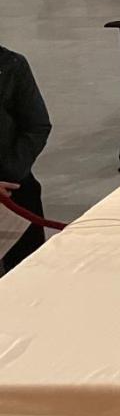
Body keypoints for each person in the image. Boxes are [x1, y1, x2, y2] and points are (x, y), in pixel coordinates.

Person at [0, 45, 52, 272]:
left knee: (29, 272)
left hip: (14, 191)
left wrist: (9, 174)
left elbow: (36, 126)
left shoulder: (10, 65)